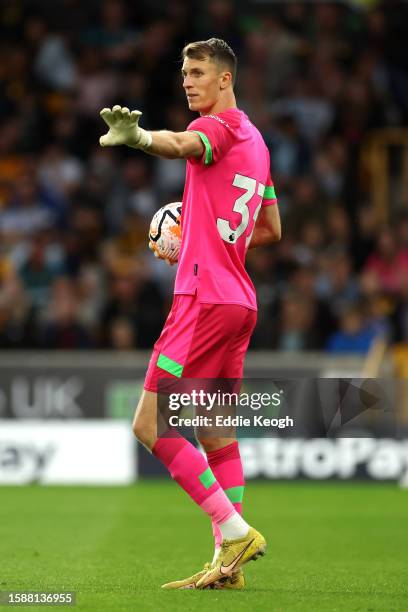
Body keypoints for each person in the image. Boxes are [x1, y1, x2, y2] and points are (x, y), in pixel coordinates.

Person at [99, 38, 281, 590]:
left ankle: (234, 530)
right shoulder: (256, 143)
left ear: (226, 79)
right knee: (215, 429)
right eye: (184, 72)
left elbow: (181, 144)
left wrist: (139, 138)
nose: (188, 80)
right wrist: (204, 230)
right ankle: (228, 568)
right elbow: (270, 229)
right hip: (239, 302)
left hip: (201, 301)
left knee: (148, 424)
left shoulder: (215, 130)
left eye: (198, 72)